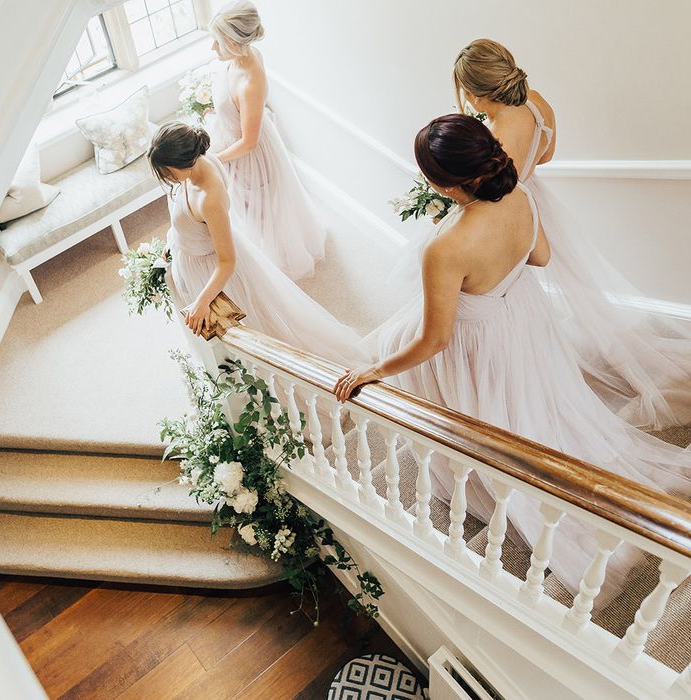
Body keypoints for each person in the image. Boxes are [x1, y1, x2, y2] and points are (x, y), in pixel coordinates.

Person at [334, 115, 689, 596]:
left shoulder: (445, 247)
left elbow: (435, 339)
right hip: (521, 319)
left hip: (479, 341)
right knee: (533, 402)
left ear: (441, 181)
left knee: (446, 383)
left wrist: (375, 369)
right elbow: (539, 258)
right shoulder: (520, 194)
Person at [452, 38, 691, 431]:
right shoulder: (536, 101)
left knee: (501, 294)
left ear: (477, 94)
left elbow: (492, 190)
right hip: (536, 199)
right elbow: (546, 155)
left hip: (508, 214)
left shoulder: (497, 129)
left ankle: (519, 371)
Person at [148, 121, 363, 368]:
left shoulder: (210, 198)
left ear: (187, 161)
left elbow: (227, 262)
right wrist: (176, 237)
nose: (167, 179)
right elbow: (187, 216)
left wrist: (202, 301)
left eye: (168, 172)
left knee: (253, 336)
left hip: (209, 271)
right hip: (190, 256)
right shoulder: (200, 165)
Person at [206, 0, 326, 280]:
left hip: (247, 154)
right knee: (241, 208)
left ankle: (279, 260)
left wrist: (215, 159)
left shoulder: (250, 81)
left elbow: (249, 142)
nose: (212, 48)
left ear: (234, 42)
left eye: (217, 41)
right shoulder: (241, 56)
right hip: (229, 141)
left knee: (259, 211)